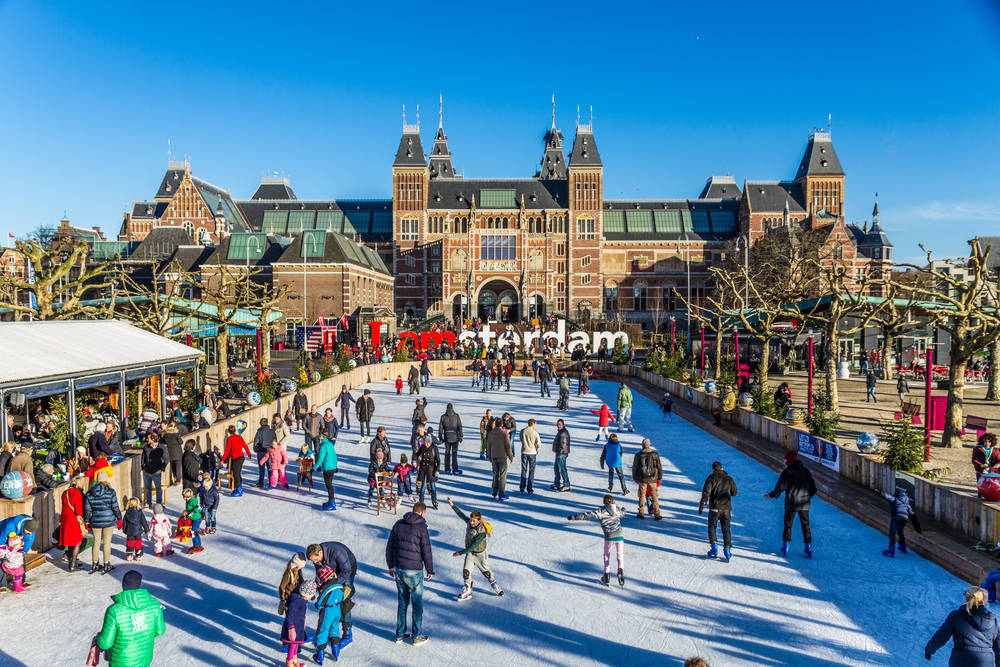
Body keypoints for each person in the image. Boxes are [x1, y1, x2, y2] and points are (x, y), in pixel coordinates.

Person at [386, 502, 434, 645]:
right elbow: (426, 550)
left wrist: (390, 565)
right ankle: (416, 636)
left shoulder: (398, 524)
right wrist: (430, 569)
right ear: (422, 513)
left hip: (399, 569)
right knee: (417, 604)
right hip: (414, 571)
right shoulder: (421, 528)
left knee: (402, 602)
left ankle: (400, 634)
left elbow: (390, 546)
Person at [95, 570, 165, 667]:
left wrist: (98, 638)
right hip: (144, 660)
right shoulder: (154, 605)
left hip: (120, 663)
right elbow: (160, 631)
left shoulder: (114, 611)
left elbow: (105, 643)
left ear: (123, 585)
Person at [925, 586, 1000, 665]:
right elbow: (998, 647)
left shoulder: (957, 616)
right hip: (985, 662)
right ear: (984, 600)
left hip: (962, 659)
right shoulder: (993, 621)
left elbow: (942, 635)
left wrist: (929, 650)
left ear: (966, 598)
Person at [448, 497, 503, 600]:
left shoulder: (482, 531)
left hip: (480, 554)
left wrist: (460, 553)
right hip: (470, 554)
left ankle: (494, 583)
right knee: (466, 571)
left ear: (479, 521)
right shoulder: (469, 522)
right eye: (471, 520)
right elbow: (461, 515)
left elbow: (474, 545)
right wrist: (452, 505)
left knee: (486, 572)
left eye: (474, 521)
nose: (471, 523)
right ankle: (468, 589)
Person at [764, 451, 817, 557]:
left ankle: (786, 545)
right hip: (804, 503)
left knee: (788, 525)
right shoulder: (806, 471)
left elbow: (780, 487)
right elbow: (813, 488)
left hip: (791, 503)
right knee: (805, 525)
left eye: (785, 459)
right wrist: (807, 496)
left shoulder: (787, 472)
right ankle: (808, 547)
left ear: (789, 460)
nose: (784, 461)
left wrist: (772, 495)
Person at [568, 493, 627, 587]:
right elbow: (623, 513)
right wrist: (623, 509)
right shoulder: (617, 509)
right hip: (620, 536)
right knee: (620, 555)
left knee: (606, 555)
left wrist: (575, 517)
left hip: (609, 537)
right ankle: (620, 571)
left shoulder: (601, 511)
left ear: (604, 502)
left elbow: (588, 515)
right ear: (613, 501)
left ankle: (606, 575)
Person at [307, 541, 358, 641]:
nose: (314, 562)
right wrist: (316, 589)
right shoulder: (317, 559)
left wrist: (333, 584)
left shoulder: (337, 552)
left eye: (315, 559)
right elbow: (320, 574)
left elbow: (346, 571)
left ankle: (347, 631)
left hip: (348, 570)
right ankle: (330, 630)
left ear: (320, 553)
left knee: (344, 599)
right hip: (333, 573)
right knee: (328, 599)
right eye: (312, 561)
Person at [699, 461, 738, 561]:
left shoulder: (711, 477)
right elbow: (734, 493)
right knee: (726, 529)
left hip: (714, 508)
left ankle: (714, 548)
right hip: (726, 509)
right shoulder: (729, 479)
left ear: (713, 469)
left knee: (712, 526)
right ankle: (727, 550)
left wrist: (702, 505)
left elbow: (706, 492)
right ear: (722, 468)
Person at [85, 469, 122, 574]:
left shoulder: (89, 493)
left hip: (95, 521)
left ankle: (95, 563)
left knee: (96, 543)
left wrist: (87, 521)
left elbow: (87, 509)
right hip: (108, 520)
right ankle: (106, 564)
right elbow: (115, 507)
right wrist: (119, 518)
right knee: (106, 543)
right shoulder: (111, 492)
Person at [313, 565, 349, 664]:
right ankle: (335, 649)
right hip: (337, 610)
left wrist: (317, 605)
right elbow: (342, 596)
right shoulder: (340, 585)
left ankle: (320, 654)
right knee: (335, 628)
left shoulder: (326, 589)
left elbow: (320, 603)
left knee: (323, 630)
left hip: (327, 612)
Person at [281, 578, 317, 667]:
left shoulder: (303, 600)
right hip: (293, 628)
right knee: (293, 646)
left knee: (296, 645)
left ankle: (294, 661)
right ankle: (290, 663)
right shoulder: (296, 601)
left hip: (299, 627)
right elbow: (290, 616)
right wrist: (291, 629)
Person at [882, 485, 922, 557]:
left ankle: (891, 550)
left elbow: (888, 497)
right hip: (905, 517)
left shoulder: (895, 498)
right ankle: (902, 546)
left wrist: (878, 492)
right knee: (900, 531)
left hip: (897, 516)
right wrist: (918, 528)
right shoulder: (907, 504)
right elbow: (913, 516)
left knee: (892, 533)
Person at [59, 476, 88, 571]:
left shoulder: (65, 492)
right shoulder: (76, 493)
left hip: (65, 518)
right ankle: (72, 564)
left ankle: (73, 563)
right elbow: (79, 511)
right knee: (77, 541)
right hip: (73, 519)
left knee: (71, 541)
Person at [632, 438, 662, 519]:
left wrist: (635, 477)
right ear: (649, 445)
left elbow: (635, 467)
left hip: (642, 479)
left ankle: (641, 512)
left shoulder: (638, 455)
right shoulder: (655, 454)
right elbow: (659, 466)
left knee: (642, 495)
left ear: (642, 445)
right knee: (654, 496)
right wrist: (659, 477)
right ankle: (657, 513)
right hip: (653, 478)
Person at [486, 417, 514, 501]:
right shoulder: (504, 434)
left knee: (495, 475)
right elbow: (508, 447)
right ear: (502, 424)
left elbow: (488, 446)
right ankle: (501, 494)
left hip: (494, 457)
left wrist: (490, 457)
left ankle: (494, 492)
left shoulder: (491, 433)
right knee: (502, 476)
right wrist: (511, 457)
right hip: (502, 457)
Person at [221, 423, 251, 497]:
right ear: (235, 430)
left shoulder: (230, 439)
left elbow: (227, 450)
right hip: (241, 458)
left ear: (229, 432)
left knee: (236, 474)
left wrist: (222, 459)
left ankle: (239, 489)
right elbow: (245, 446)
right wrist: (249, 454)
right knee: (237, 473)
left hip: (236, 459)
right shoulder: (239, 437)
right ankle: (239, 487)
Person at [140, 434, 168, 508]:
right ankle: (148, 503)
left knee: (158, 488)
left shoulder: (162, 448)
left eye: (148, 438)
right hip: (147, 471)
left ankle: (159, 504)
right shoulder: (146, 447)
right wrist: (143, 467)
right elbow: (143, 458)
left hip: (156, 472)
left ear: (153, 439)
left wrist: (161, 469)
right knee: (148, 488)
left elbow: (166, 459)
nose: (147, 440)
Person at [415, 432, 441, 510]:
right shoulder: (422, 447)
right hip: (423, 469)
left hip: (431, 470)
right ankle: (421, 502)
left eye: (428, 443)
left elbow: (438, 460)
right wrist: (417, 460)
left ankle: (434, 501)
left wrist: (437, 470)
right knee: (423, 487)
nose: (426, 444)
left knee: (433, 487)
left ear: (430, 442)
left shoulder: (434, 448)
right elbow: (417, 454)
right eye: (425, 443)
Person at [315, 434, 339, 511]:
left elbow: (321, 458)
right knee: (329, 485)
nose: (319, 437)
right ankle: (331, 500)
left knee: (329, 485)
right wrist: (335, 466)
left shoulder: (323, 446)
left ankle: (332, 502)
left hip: (328, 468)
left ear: (322, 437)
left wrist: (314, 467)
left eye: (320, 436)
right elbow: (334, 456)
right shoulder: (330, 444)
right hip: (332, 467)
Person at [438, 403, 463, 475]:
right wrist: (461, 436)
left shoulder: (443, 417)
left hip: (447, 437)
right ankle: (455, 469)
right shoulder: (456, 416)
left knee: (447, 453)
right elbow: (459, 426)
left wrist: (440, 437)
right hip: (455, 437)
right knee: (454, 453)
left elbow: (440, 428)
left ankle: (447, 469)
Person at [121, 497, 149, 562]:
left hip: (130, 532)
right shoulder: (139, 512)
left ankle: (129, 555)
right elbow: (143, 521)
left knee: (130, 543)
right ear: (137, 504)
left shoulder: (127, 513)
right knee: (138, 543)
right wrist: (146, 529)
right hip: (138, 531)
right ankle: (138, 555)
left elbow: (124, 522)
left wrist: (125, 530)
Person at [253, 417, 277, 489]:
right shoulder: (272, 431)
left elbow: (256, 442)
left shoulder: (259, 432)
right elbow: (275, 440)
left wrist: (256, 449)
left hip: (261, 451)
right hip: (270, 450)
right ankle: (271, 482)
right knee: (270, 467)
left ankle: (261, 482)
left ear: (261, 424)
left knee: (261, 468)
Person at [181, 487, 204, 554]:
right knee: (194, 532)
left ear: (190, 496)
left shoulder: (193, 500)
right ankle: (199, 545)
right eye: (184, 497)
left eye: (186, 497)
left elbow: (198, 508)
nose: (185, 499)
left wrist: (190, 513)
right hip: (193, 519)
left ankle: (196, 546)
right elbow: (188, 508)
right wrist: (186, 513)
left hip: (197, 519)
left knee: (193, 532)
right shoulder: (188, 501)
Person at [551, 418, 571, 492]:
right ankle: (557, 483)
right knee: (556, 468)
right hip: (559, 453)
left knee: (562, 469)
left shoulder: (563, 433)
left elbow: (564, 444)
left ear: (563, 425)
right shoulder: (561, 432)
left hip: (561, 453)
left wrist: (560, 452)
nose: (558, 426)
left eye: (560, 424)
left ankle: (566, 485)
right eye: (557, 424)